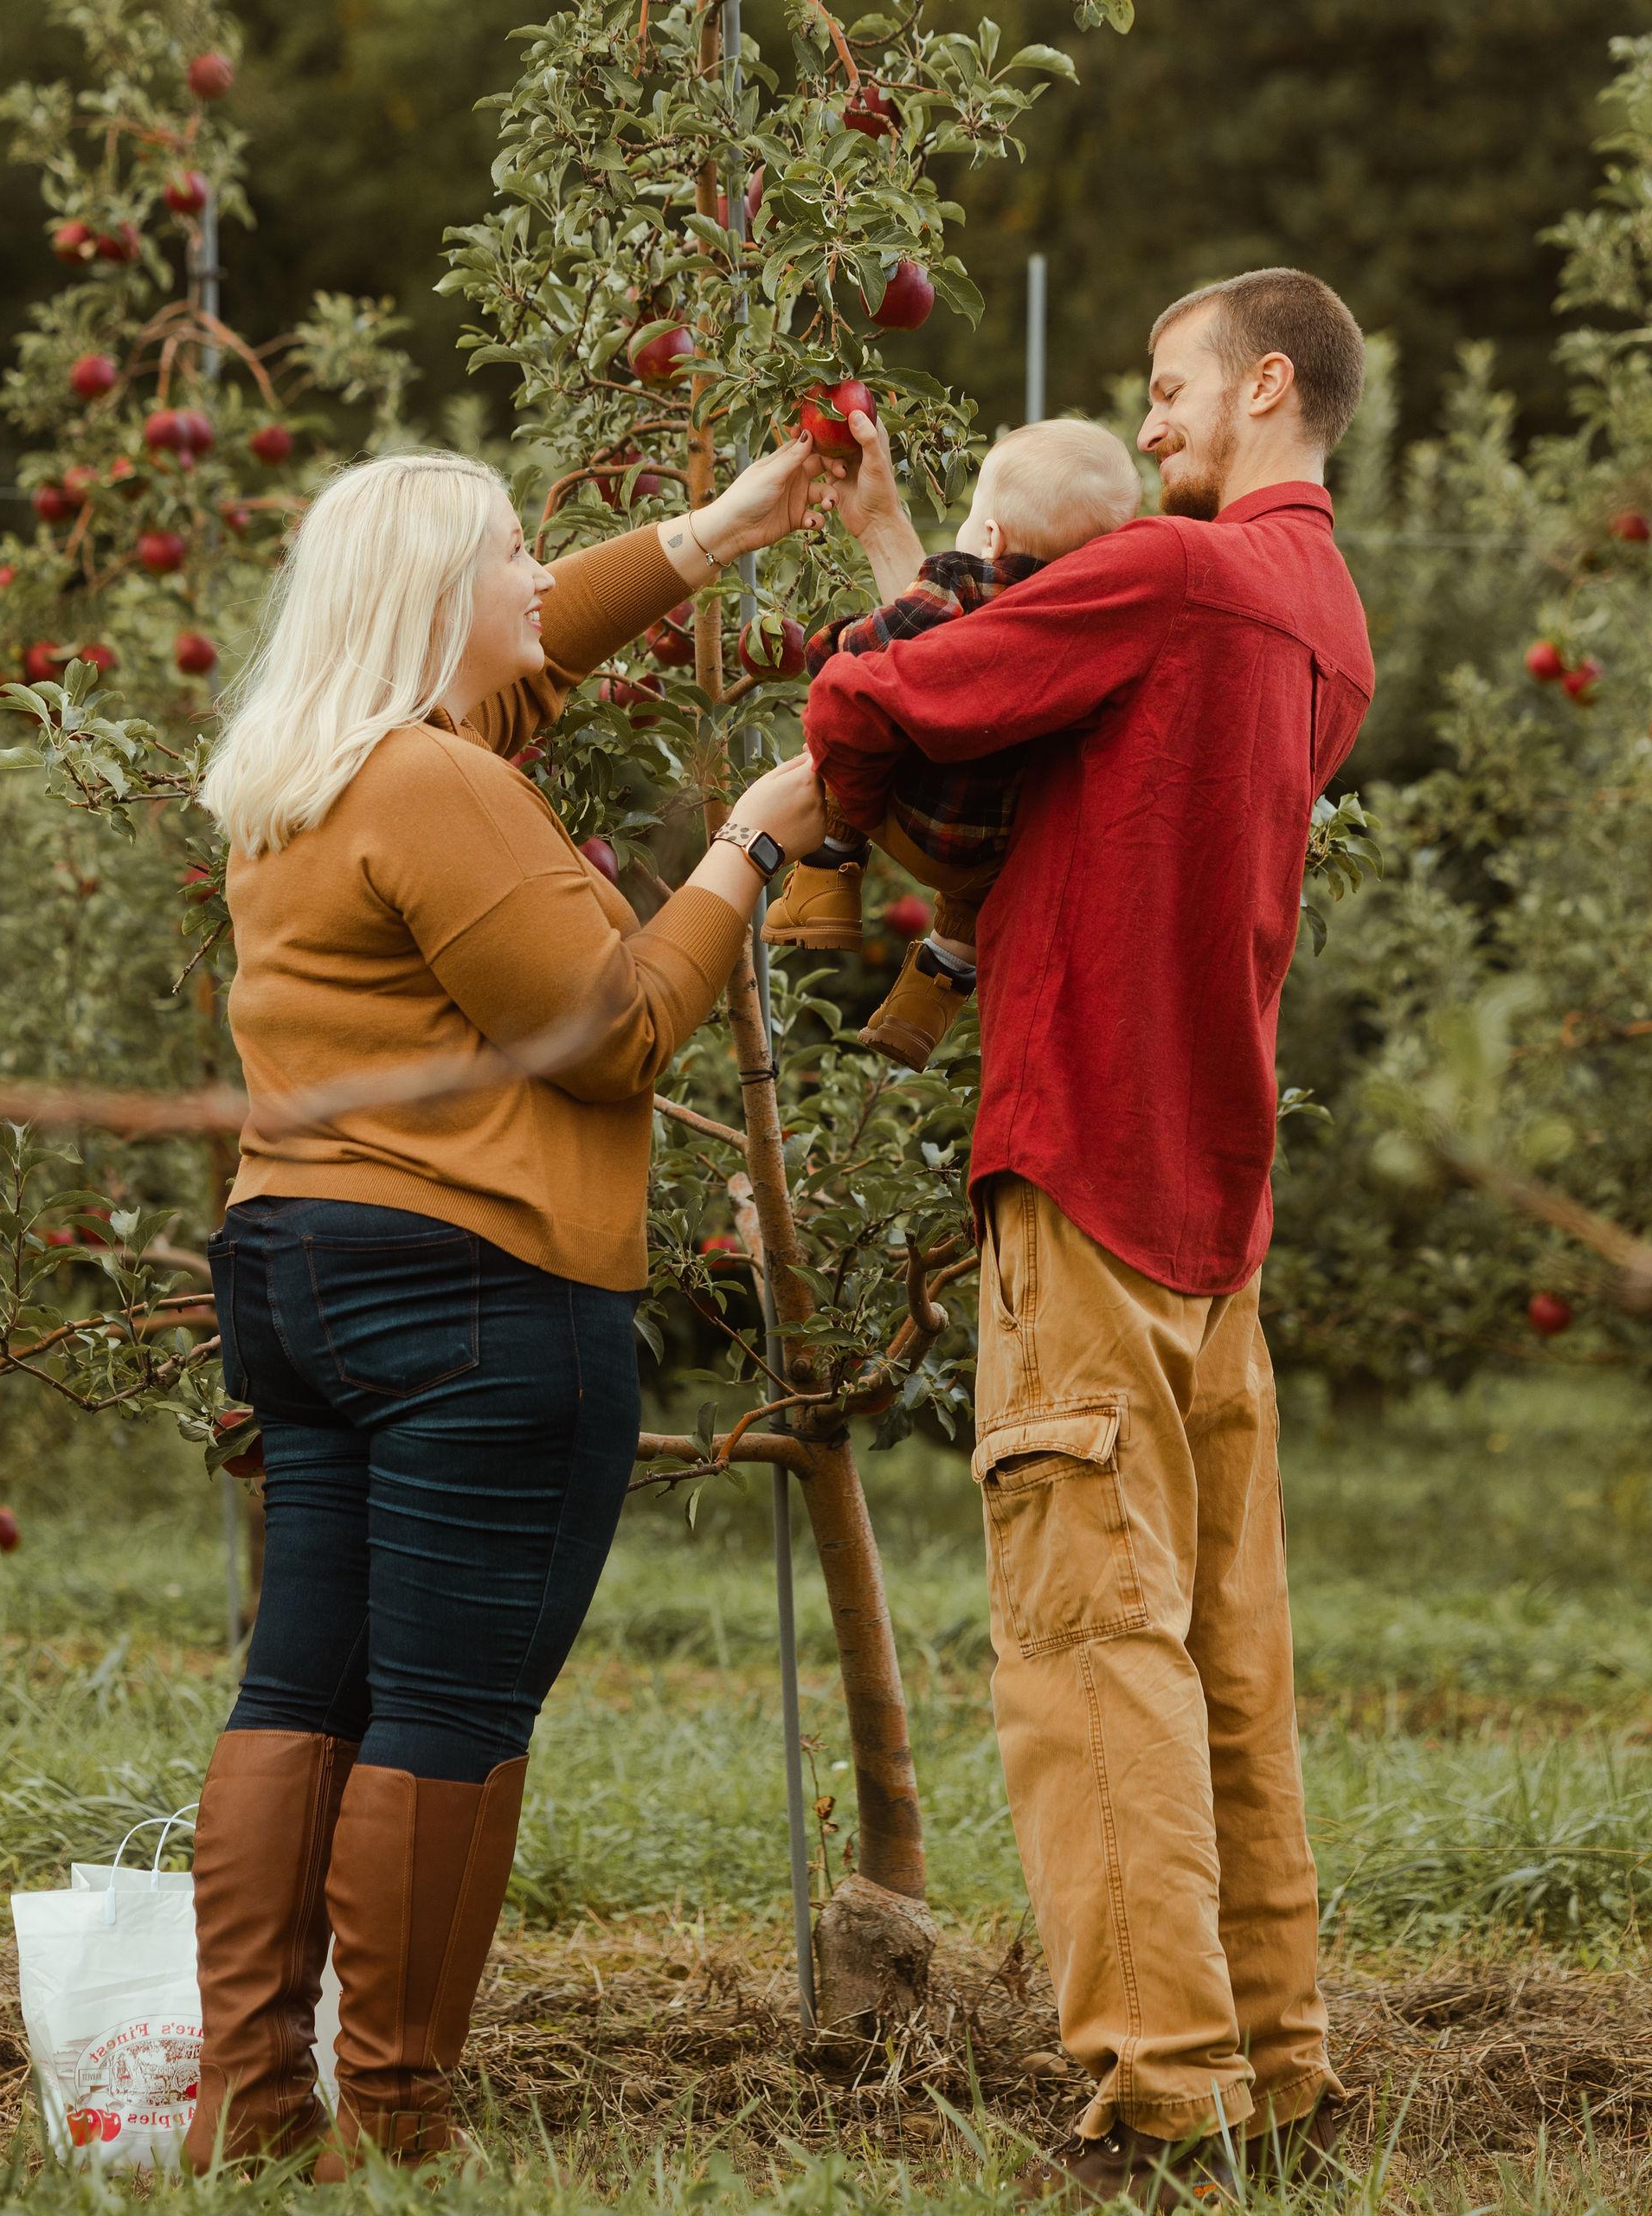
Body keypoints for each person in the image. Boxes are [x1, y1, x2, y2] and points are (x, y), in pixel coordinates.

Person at [181, 443, 828, 2179]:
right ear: (429, 598)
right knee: (448, 1707)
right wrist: (751, 850)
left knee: (299, 1683)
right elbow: (612, 1028)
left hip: (299, 1270)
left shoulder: (308, 773)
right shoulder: (438, 787)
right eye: (510, 554)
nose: (540, 574)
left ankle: (247, 2107)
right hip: (474, 1281)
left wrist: (708, 536)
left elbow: (535, 660)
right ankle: (397, 2120)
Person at [804, 268, 1375, 2213]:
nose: (1148, 430)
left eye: (1167, 389)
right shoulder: (1324, 620)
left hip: (1080, 1157)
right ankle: (1273, 2057)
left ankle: (1162, 2094)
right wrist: (911, 531)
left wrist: (851, 804)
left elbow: (883, 690)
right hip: (1210, 1196)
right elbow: (1084, 765)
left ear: (1266, 384)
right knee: (1222, 1649)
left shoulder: (1181, 574)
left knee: (1085, 1652)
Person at [763, 418, 1141, 1071]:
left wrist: (829, 643)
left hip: (911, 815)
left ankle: (829, 874)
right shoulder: (1091, 631)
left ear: (990, 534)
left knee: (853, 718)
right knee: (969, 908)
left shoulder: (962, 579)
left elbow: (894, 644)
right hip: (993, 860)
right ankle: (919, 1013)